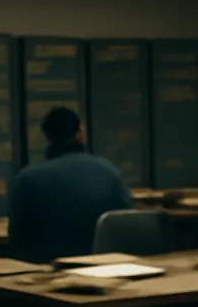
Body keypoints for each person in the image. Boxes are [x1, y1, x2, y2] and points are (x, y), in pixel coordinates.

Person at [8, 107, 133, 263]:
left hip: (45, 271)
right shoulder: (110, 172)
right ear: (80, 133)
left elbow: (17, 238)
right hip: (104, 267)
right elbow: (127, 226)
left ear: (47, 137)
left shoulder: (26, 179)